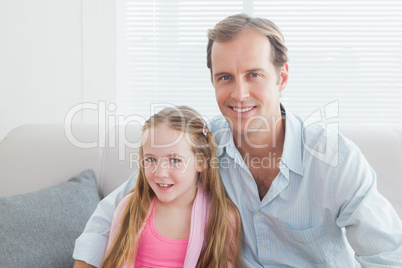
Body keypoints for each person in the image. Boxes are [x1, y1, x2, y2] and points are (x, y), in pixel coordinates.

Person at [74, 14, 402, 267]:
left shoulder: (335, 160)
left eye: (253, 75)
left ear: (282, 77)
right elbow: (114, 210)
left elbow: (388, 255)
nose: (239, 93)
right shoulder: (202, 143)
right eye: (225, 78)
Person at [101, 106, 242, 267]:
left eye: (175, 160)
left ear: (201, 162)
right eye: (151, 159)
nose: (160, 173)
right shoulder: (129, 208)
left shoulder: (222, 217)